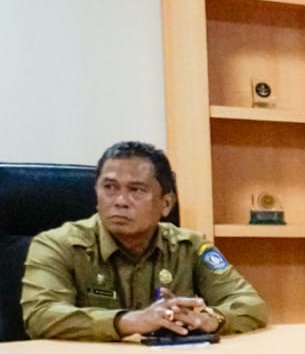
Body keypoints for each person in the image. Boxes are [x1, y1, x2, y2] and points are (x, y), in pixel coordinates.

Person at [21, 141, 268, 341]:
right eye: (109, 187)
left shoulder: (190, 247)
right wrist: (128, 322)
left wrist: (212, 319)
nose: (120, 201)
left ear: (166, 204)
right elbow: (40, 315)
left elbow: (251, 304)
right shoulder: (56, 245)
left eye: (136, 190)